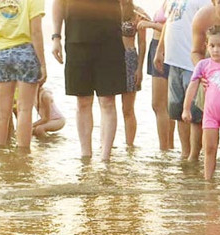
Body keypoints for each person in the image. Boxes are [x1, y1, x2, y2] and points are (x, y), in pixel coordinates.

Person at [52, 0, 127, 162]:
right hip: (77, 41)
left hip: (110, 42)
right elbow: (58, 3)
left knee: (107, 101)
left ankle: (105, 158)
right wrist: (56, 37)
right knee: (83, 101)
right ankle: (85, 157)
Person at [0, 0, 46, 150]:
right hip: (26, 52)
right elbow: (36, 31)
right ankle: (23, 154)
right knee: (25, 109)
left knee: (1, 110)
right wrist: (42, 64)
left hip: (1, 53)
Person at [153, 0, 211, 161]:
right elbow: (168, 23)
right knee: (178, 112)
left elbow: (210, 27)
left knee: (195, 114)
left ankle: (194, 156)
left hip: (191, 64)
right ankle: (185, 153)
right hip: (174, 62)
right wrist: (159, 50)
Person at [184, 25, 220, 179]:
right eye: (212, 46)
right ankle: (208, 181)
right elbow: (193, 86)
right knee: (209, 148)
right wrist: (186, 108)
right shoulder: (203, 65)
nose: (216, 50)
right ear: (206, 46)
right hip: (209, 114)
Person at [142, 1, 175, 150]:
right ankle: (169, 146)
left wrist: (151, 25)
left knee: (159, 104)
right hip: (156, 45)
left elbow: (173, 28)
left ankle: (164, 148)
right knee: (166, 104)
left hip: (165, 47)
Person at [121, 2, 148, 147]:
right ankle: (107, 143)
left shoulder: (136, 12)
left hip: (130, 59)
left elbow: (142, 43)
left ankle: (129, 146)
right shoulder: (107, 8)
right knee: (107, 104)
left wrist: (139, 68)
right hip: (109, 59)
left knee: (128, 108)